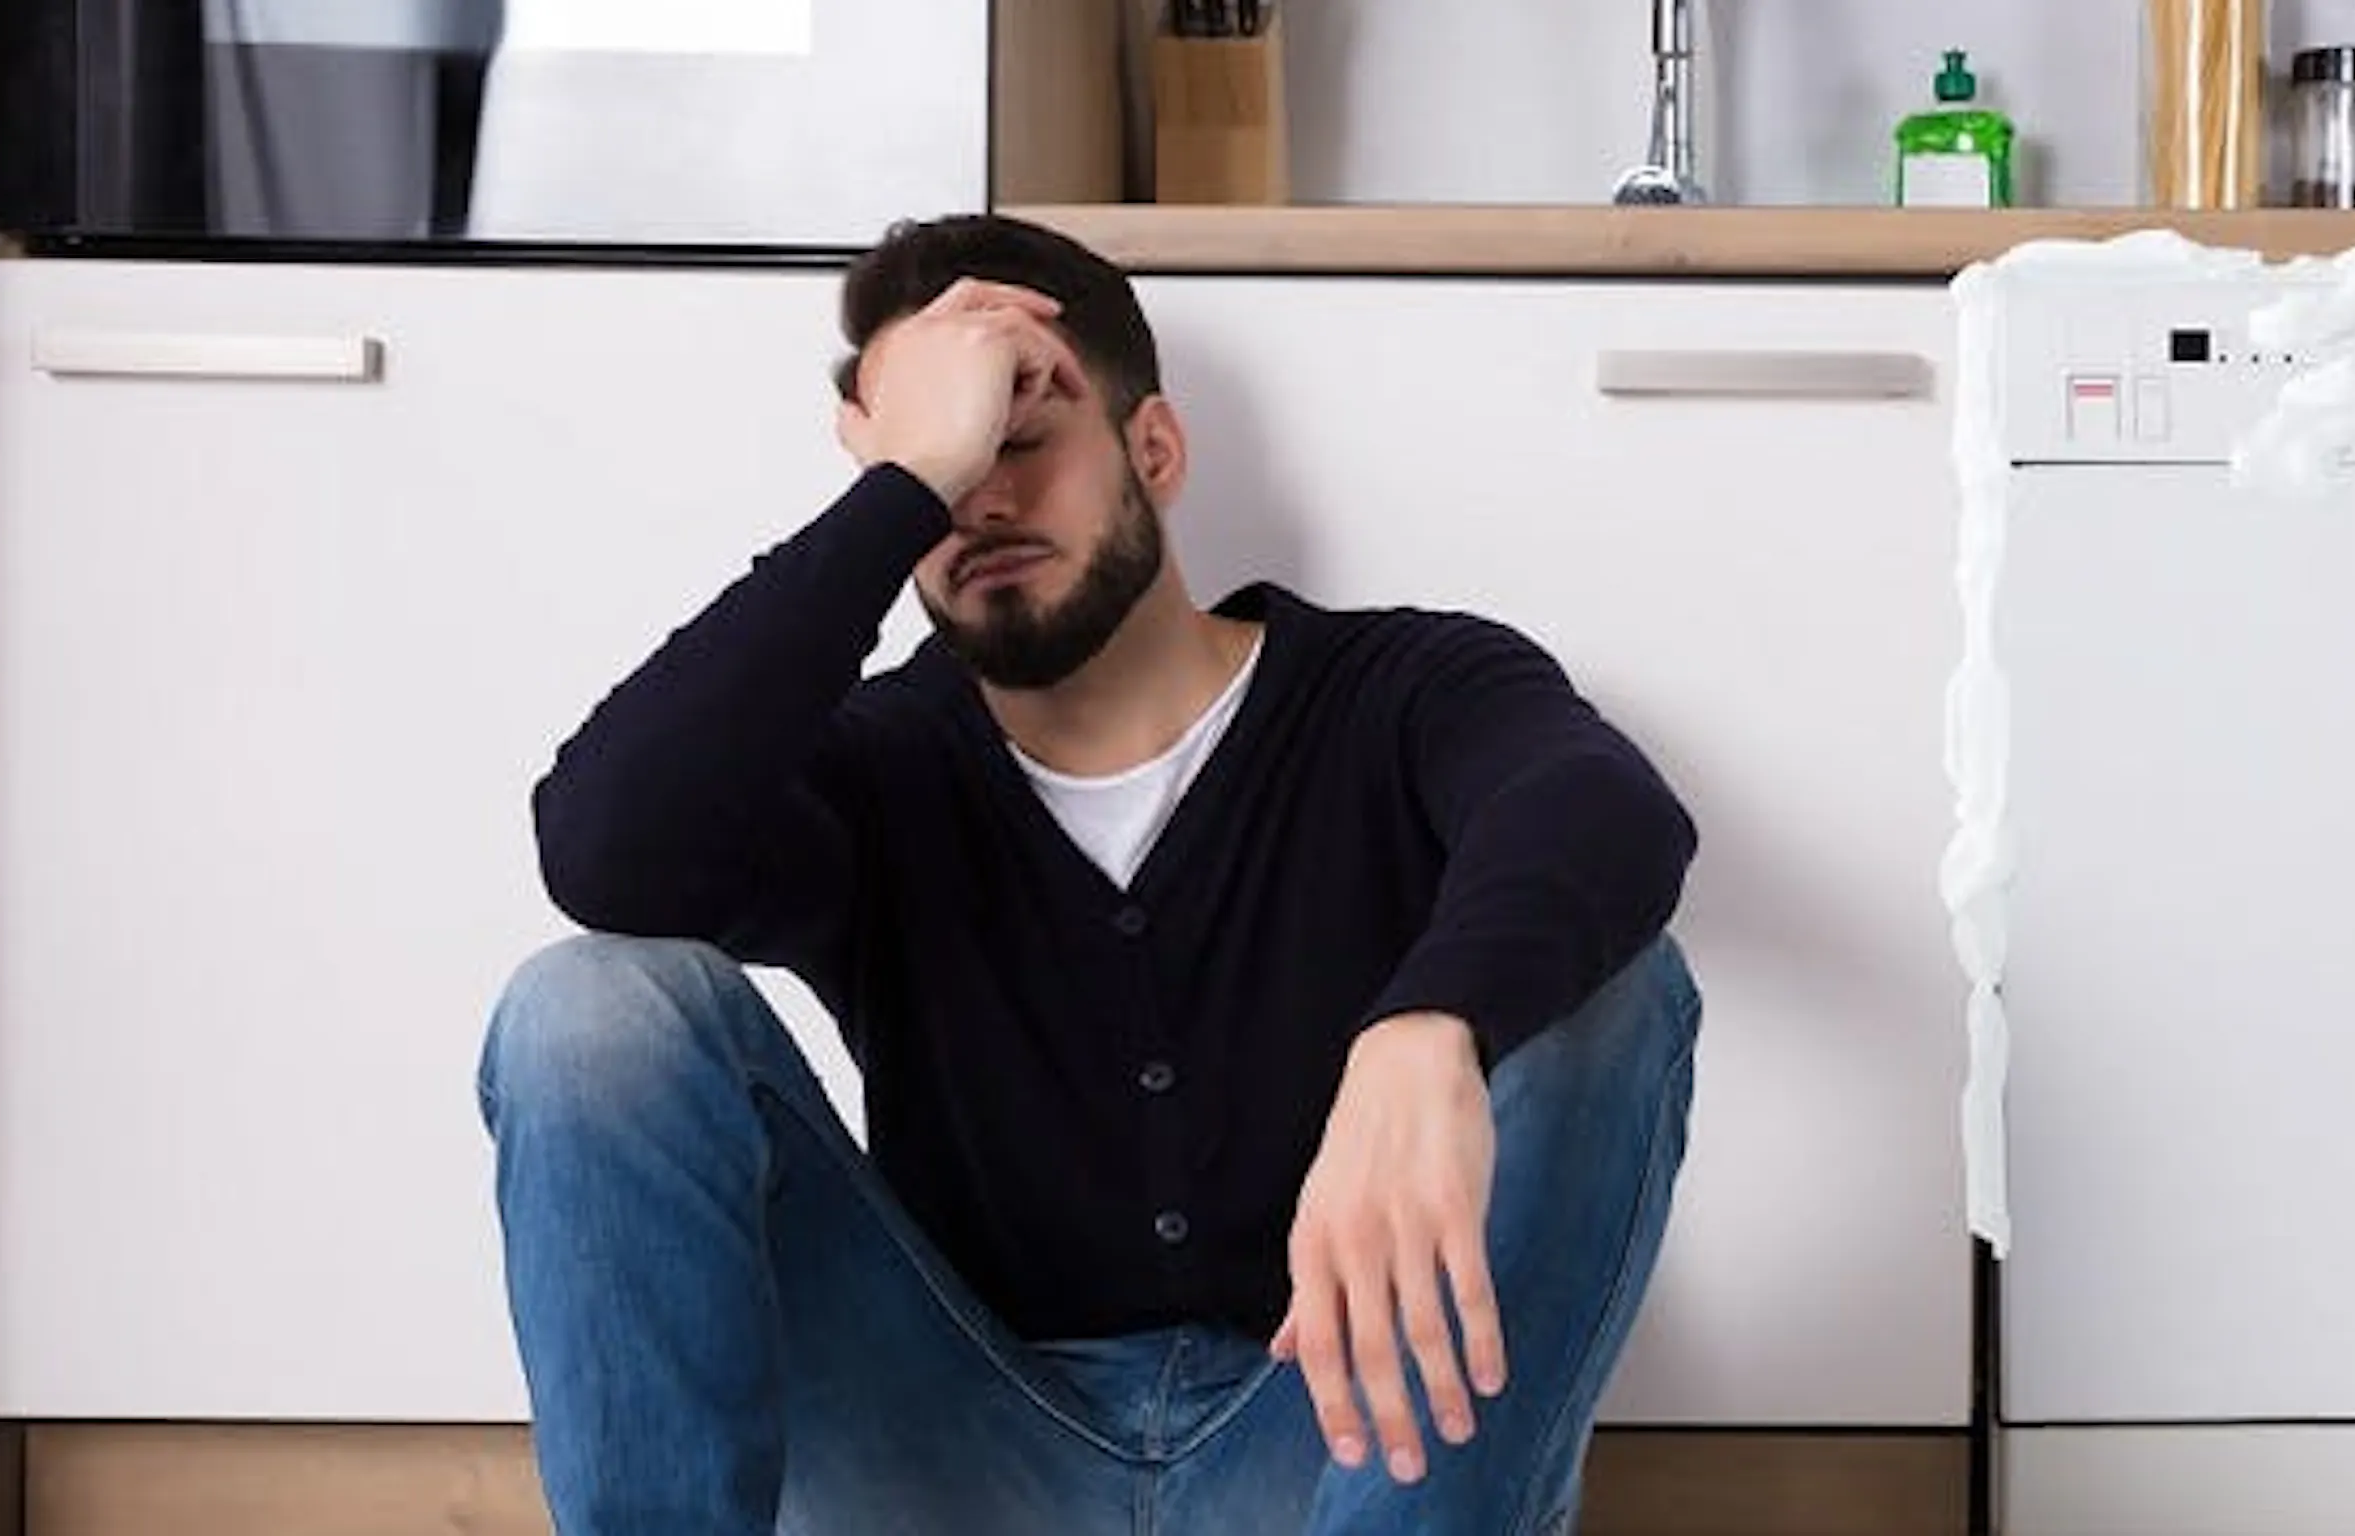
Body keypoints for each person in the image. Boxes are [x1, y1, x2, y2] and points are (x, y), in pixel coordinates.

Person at [473, 212, 1703, 1536]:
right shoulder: (873, 771)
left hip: (1333, 1451)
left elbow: (1605, 812)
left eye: (1018, 437)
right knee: (589, 1005)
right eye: (941, 467)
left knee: (1610, 988)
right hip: (957, 1455)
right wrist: (889, 500)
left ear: (1152, 449)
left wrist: (1428, 1030)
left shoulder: (1397, 688)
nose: (979, 502)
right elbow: (607, 851)